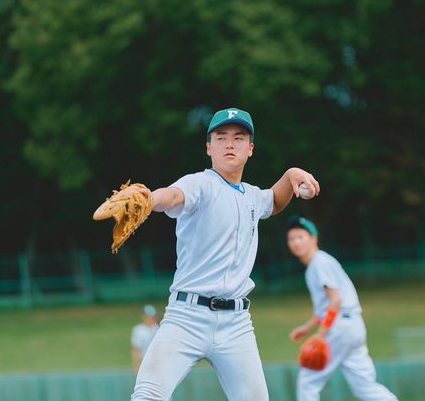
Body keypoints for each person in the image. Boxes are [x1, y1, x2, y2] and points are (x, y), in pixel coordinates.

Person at [130, 108, 320, 401]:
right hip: (187, 316)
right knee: (148, 395)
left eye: (239, 138)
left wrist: (291, 174)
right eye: (221, 137)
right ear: (209, 147)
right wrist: (149, 199)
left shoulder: (252, 196)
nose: (230, 144)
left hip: (236, 323)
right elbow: (172, 195)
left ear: (250, 148)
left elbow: (274, 201)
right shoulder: (199, 183)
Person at [286, 216, 398, 401]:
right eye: (291, 238)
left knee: (308, 382)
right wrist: (307, 328)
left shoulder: (319, 263)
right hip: (353, 326)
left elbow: (336, 301)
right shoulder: (320, 262)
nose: (296, 242)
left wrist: (321, 334)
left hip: (339, 326)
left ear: (314, 239)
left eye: (300, 237)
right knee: (365, 387)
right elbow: (326, 306)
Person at [131, 305, 160, 375]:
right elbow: (136, 349)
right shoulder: (138, 330)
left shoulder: (158, 328)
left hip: (158, 362)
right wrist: (136, 366)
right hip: (143, 362)